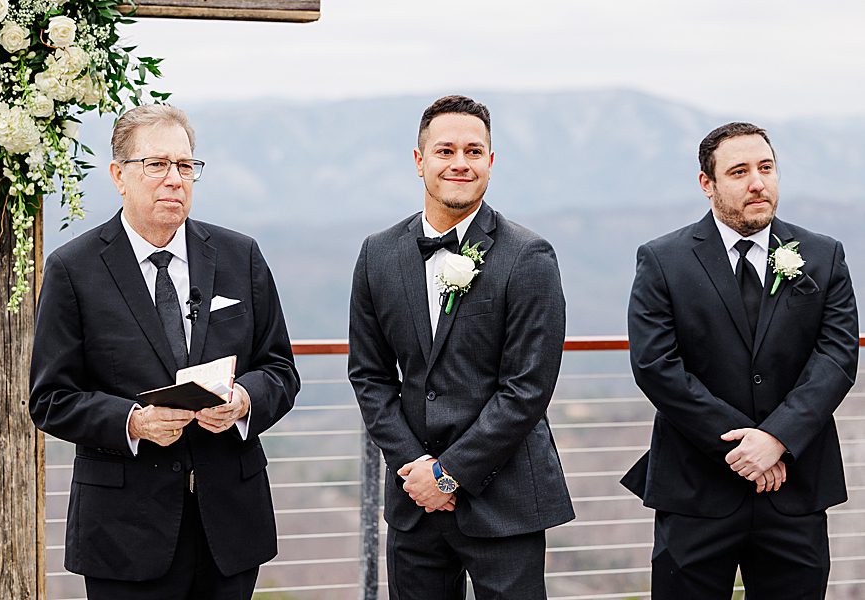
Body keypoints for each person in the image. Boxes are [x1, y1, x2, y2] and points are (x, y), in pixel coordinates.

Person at [29, 104, 300, 599]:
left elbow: (281, 369)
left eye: (185, 165)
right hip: (124, 533)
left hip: (230, 526)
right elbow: (51, 398)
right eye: (156, 164)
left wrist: (243, 404)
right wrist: (133, 421)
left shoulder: (241, 255)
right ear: (118, 175)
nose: (174, 179)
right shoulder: (74, 269)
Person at [348, 95, 573, 599]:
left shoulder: (529, 256)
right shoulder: (377, 254)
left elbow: (527, 389)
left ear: (490, 163)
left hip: (505, 498)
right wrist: (417, 470)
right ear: (419, 160)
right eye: (445, 150)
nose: (459, 163)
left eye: (474, 151)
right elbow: (369, 375)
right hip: (414, 501)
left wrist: (449, 474)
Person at [621, 122, 858, 598]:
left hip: (795, 487)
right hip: (695, 490)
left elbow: (837, 356)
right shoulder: (663, 260)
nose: (757, 183)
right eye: (740, 171)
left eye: (766, 168)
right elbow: (655, 365)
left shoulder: (823, 255)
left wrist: (777, 438)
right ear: (707, 184)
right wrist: (741, 448)